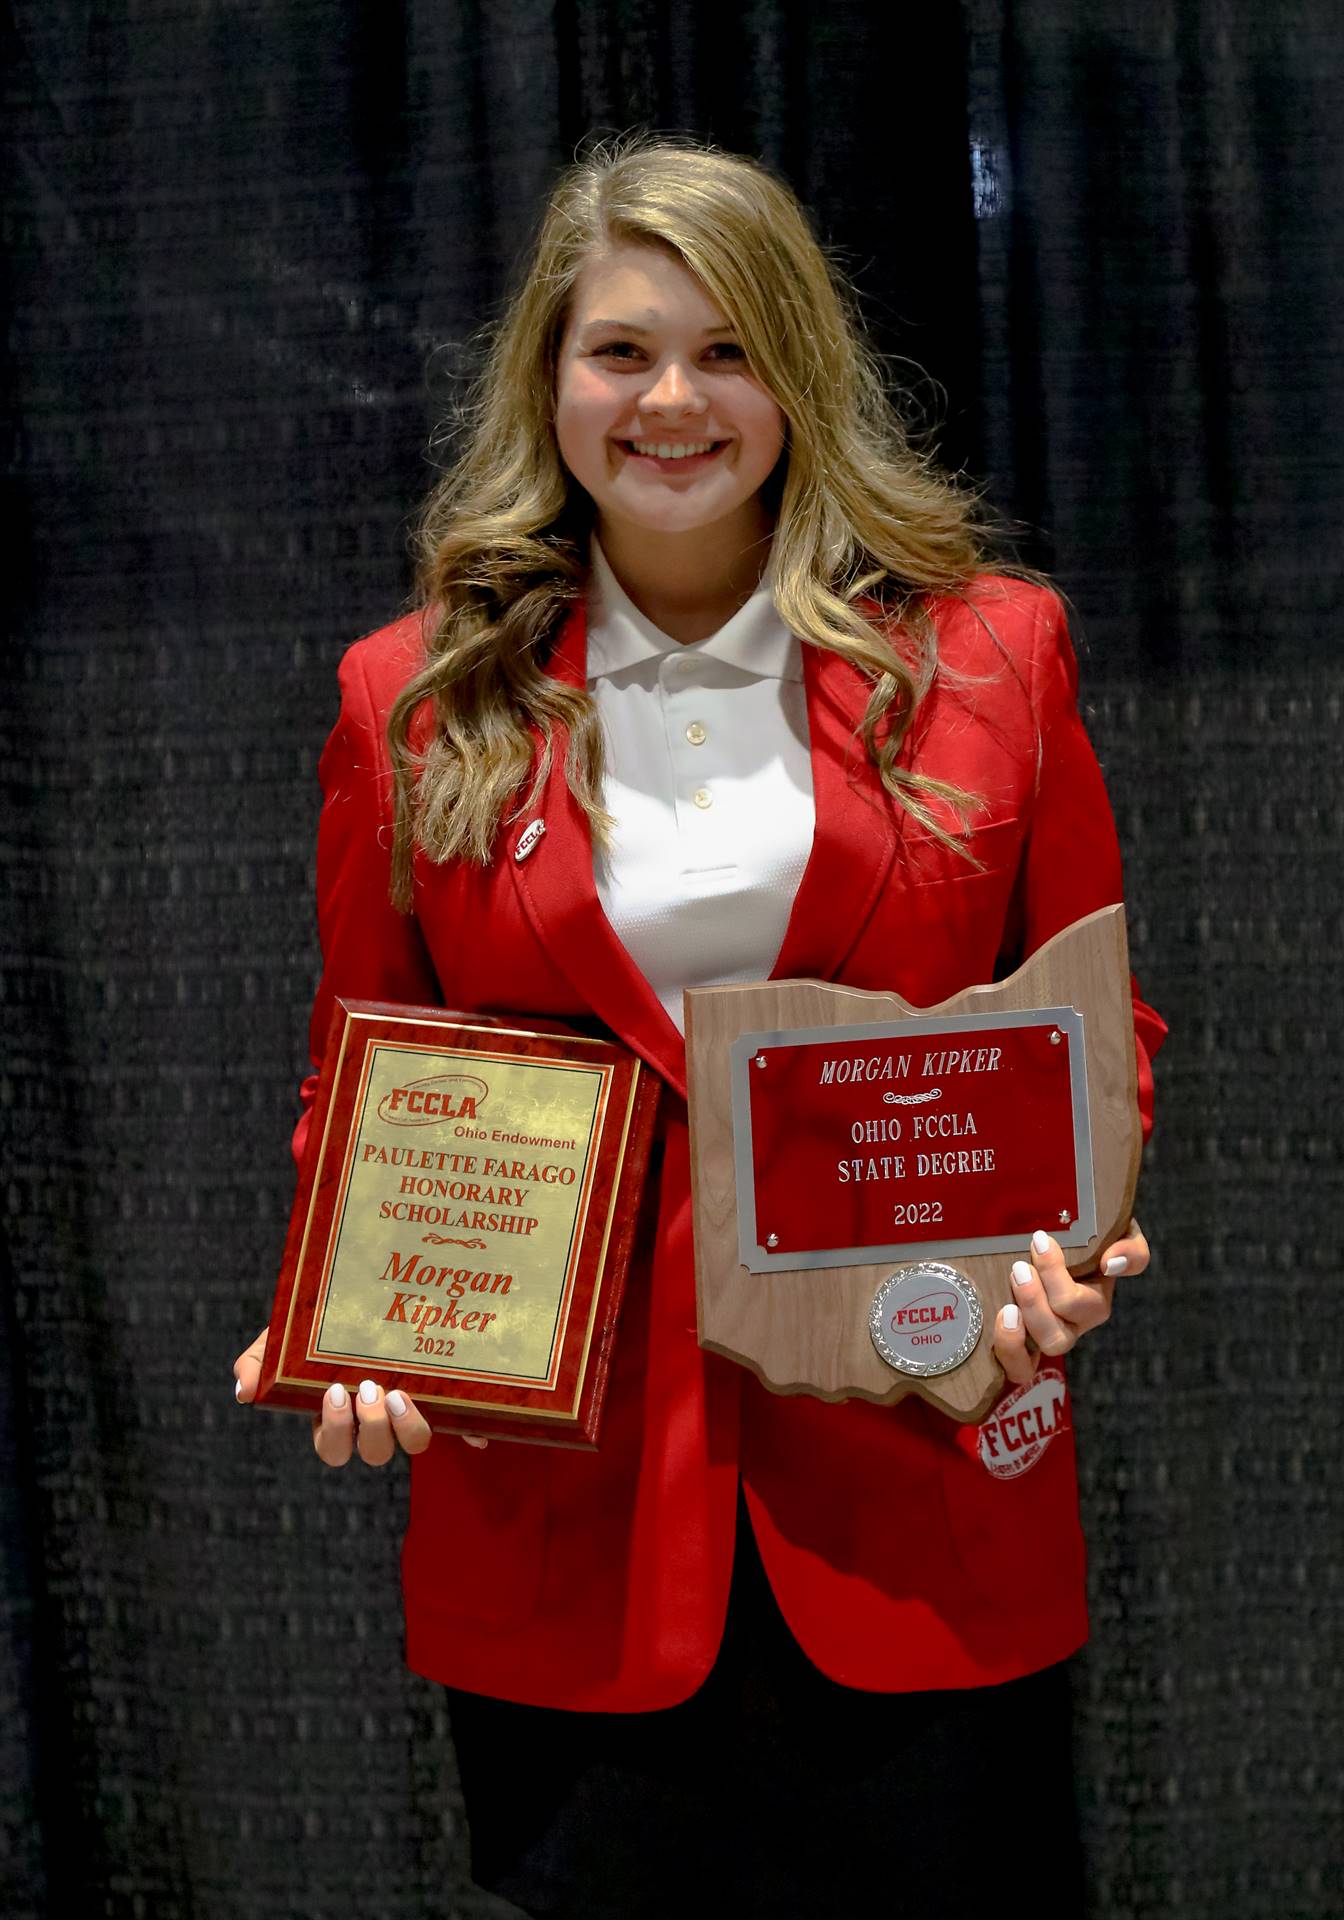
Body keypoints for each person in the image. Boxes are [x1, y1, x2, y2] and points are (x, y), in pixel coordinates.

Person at [234, 136, 1166, 1917]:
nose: (675, 397)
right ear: (552, 384)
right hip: (571, 1532)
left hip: (917, 1479)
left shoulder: (991, 654)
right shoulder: (413, 700)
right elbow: (366, 1071)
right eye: (622, 351)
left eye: (728, 349)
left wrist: (1083, 1233)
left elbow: (1096, 1025)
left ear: (799, 373)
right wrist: (360, 1325)